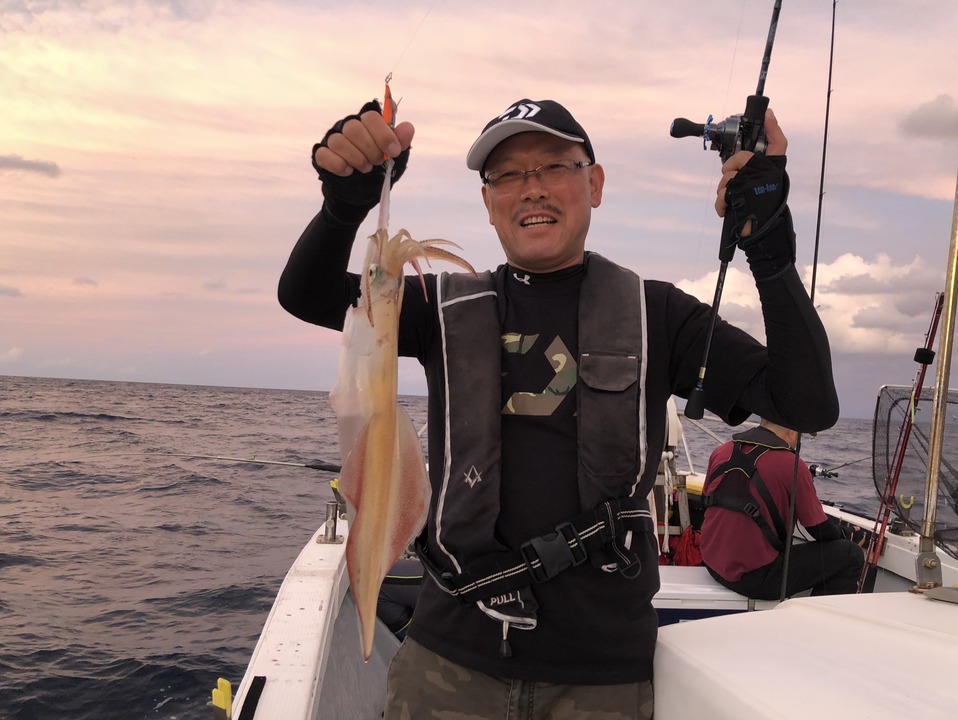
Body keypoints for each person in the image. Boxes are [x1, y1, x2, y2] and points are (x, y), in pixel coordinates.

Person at [278, 96, 839, 719]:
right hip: (446, 661)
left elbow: (804, 404)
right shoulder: (438, 308)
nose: (532, 188)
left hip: (601, 679)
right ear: (488, 201)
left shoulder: (658, 315)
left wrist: (769, 246)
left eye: (554, 166)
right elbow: (306, 294)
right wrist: (345, 206)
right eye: (509, 174)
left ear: (594, 184)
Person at [699, 418, 864, 599]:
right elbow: (819, 531)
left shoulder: (721, 451)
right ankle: (816, 616)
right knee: (851, 555)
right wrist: (845, 533)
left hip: (712, 564)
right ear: (792, 432)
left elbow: (705, 500)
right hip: (754, 579)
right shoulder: (793, 464)